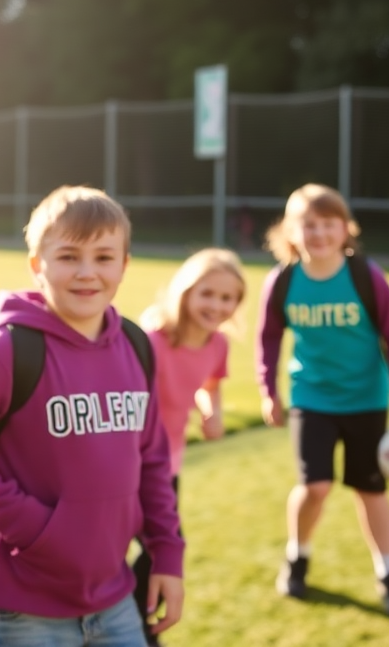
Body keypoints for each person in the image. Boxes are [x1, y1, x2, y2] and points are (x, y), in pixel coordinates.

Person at [0, 185, 185, 647]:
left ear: (125, 264)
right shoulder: (8, 350)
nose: (87, 273)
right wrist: (39, 530)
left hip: (113, 593)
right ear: (37, 265)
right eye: (69, 256)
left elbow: (152, 461)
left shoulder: (135, 346)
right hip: (19, 601)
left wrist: (167, 556)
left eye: (104, 257)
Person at [256, 183, 389, 620]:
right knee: (315, 486)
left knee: (370, 489)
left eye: (328, 224)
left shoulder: (365, 276)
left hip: (366, 399)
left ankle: (388, 574)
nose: (318, 233)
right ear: (291, 231)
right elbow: (269, 335)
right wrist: (267, 389)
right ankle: (298, 557)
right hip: (311, 398)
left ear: (345, 229)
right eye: (308, 225)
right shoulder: (282, 281)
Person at [132, 247, 246, 644]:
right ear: (186, 292)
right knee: (107, 553)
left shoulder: (219, 346)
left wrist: (212, 411)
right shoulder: (152, 340)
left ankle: (140, 627)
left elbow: (209, 384)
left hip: (169, 467)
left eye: (227, 298)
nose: (217, 305)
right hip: (126, 464)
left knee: (159, 553)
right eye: (208, 294)